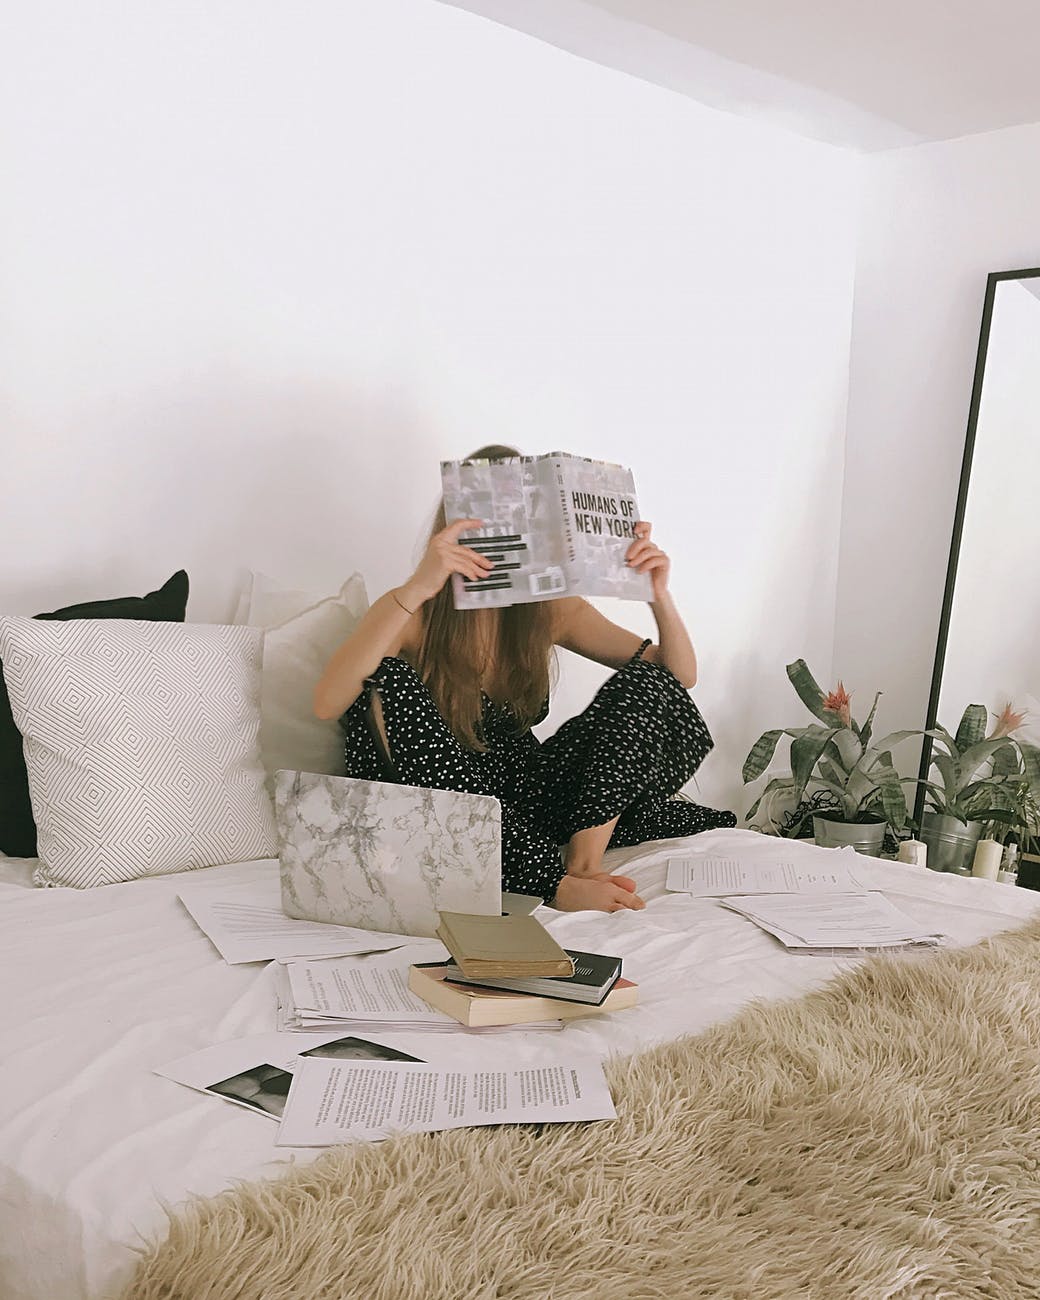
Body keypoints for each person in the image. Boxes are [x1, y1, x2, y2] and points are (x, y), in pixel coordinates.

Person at [314, 446, 736, 913]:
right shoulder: (415, 613)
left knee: (647, 682)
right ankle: (550, 882)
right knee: (385, 679)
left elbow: (678, 678)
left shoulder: (548, 610)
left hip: (527, 797)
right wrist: (418, 586)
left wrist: (657, 595)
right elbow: (329, 703)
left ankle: (584, 865)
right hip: (447, 802)